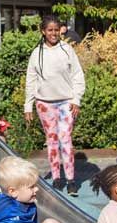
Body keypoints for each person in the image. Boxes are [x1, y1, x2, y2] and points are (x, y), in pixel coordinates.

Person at [24, 14, 86, 196]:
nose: (53, 33)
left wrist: (76, 99)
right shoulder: (37, 53)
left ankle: (71, 180)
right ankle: (57, 178)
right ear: (43, 31)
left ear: (61, 30)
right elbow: (31, 80)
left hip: (66, 102)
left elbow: (78, 76)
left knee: (65, 141)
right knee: (51, 142)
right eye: (49, 30)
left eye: (56, 30)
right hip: (44, 104)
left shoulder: (67, 50)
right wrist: (28, 106)